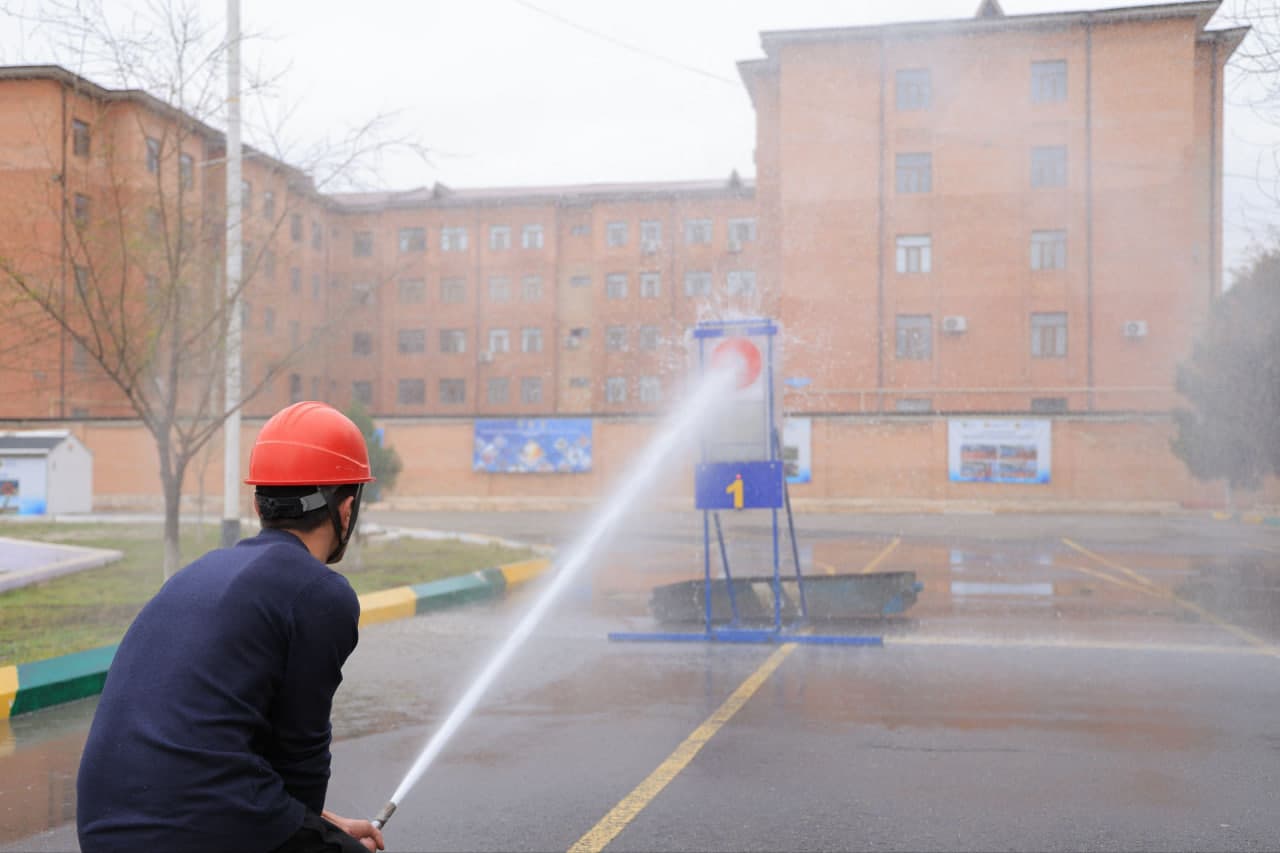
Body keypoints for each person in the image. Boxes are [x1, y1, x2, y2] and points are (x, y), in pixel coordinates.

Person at [77, 401, 386, 853]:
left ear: (259, 500)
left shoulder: (201, 572)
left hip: (106, 830)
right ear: (347, 508)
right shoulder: (320, 593)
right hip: (192, 833)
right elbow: (300, 762)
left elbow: (202, 748)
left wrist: (323, 826)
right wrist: (329, 840)